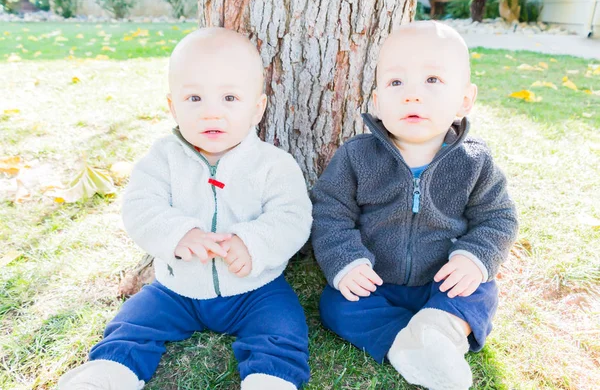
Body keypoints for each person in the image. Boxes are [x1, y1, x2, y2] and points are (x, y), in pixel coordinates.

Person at [59, 27, 312, 390]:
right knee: (133, 321)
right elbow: (141, 207)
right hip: (177, 287)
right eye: (194, 98)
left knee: (282, 328)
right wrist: (178, 234)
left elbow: (293, 217)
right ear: (172, 106)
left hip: (256, 288)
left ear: (257, 108)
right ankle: (109, 373)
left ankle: (270, 379)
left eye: (229, 97)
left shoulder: (274, 164)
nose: (212, 113)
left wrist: (253, 242)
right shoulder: (162, 158)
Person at [311, 21, 518, 390]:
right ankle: (406, 346)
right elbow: (330, 212)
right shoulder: (358, 156)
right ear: (376, 100)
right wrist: (346, 262)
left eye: (433, 81)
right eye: (396, 83)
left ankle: (441, 329)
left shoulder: (474, 161)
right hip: (376, 280)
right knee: (337, 305)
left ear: (465, 100)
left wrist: (472, 258)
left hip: (443, 280)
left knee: (481, 291)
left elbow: (498, 217)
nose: (412, 95)